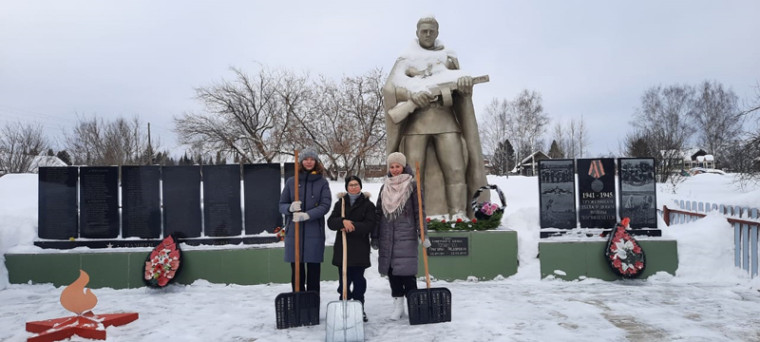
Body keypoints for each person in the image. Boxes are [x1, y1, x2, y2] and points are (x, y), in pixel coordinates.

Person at [382, 16, 489, 219]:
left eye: (432, 30)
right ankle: (413, 215)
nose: (428, 34)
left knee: (456, 169)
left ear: (437, 32)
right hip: (416, 124)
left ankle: (458, 213)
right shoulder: (406, 58)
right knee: (412, 174)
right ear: (417, 33)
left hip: (446, 121)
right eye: (424, 31)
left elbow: (459, 89)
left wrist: (465, 85)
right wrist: (412, 94)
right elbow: (391, 87)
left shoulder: (448, 57)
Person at [375, 152, 429, 320]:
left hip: (406, 235)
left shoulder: (412, 185)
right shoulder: (385, 186)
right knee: (392, 273)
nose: (395, 169)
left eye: (397, 166)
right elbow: (378, 212)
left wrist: (423, 234)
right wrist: (375, 236)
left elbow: (419, 211)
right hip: (387, 234)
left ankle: (415, 305)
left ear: (403, 167)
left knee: (407, 273)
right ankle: (398, 306)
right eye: (392, 167)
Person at [279, 147, 331, 297]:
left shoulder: (322, 182)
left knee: (314, 274)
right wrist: (289, 208)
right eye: (306, 159)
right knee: (297, 273)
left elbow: (325, 205)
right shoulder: (291, 182)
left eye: (312, 159)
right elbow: (281, 204)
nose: (309, 162)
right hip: (294, 234)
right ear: (301, 162)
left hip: (314, 233)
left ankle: (312, 306)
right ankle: (298, 305)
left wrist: (307, 215)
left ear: (316, 162)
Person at [327, 175, 376, 322]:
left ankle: (359, 307)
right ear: (346, 187)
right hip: (343, 250)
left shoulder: (368, 205)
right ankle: (345, 306)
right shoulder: (340, 203)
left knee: (359, 281)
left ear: (360, 186)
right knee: (344, 281)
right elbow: (330, 222)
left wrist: (352, 225)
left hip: (359, 249)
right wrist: (343, 222)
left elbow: (370, 225)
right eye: (350, 185)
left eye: (356, 184)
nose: (353, 187)